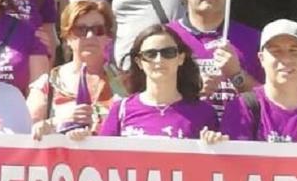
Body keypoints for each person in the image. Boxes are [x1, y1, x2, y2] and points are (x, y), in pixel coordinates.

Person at [168, 0, 263, 119]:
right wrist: (190, 89)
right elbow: (148, 98)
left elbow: (273, 102)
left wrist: (236, 75)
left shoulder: (255, 39)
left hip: (241, 138)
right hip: (185, 139)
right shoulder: (165, 38)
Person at [91, 24, 222, 141]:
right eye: (150, 54)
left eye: (168, 52)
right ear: (139, 62)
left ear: (181, 58)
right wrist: (80, 141)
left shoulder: (204, 113)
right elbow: (103, 160)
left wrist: (214, 145)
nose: (159, 60)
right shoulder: (121, 110)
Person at [29, 1, 124, 136]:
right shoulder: (47, 84)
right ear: (67, 37)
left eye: (98, 30)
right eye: (81, 30)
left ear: (108, 37)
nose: (90, 36)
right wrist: (61, 121)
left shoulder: (125, 84)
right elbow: (27, 129)